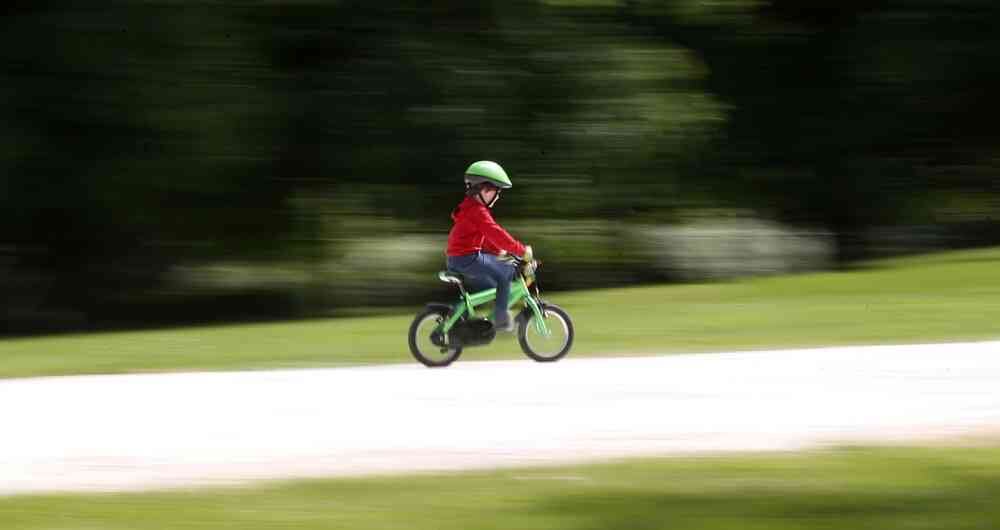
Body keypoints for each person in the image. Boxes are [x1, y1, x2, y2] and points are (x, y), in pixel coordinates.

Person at [446, 160, 532, 332]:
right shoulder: (478, 211)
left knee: (496, 283)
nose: (498, 196)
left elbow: (484, 238)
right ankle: (500, 318)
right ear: (483, 190)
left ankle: (476, 320)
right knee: (506, 272)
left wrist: (500, 253)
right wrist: (521, 250)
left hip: (462, 258)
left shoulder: (470, 208)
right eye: (495, 191)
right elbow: (496, 233)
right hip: (467, 259)